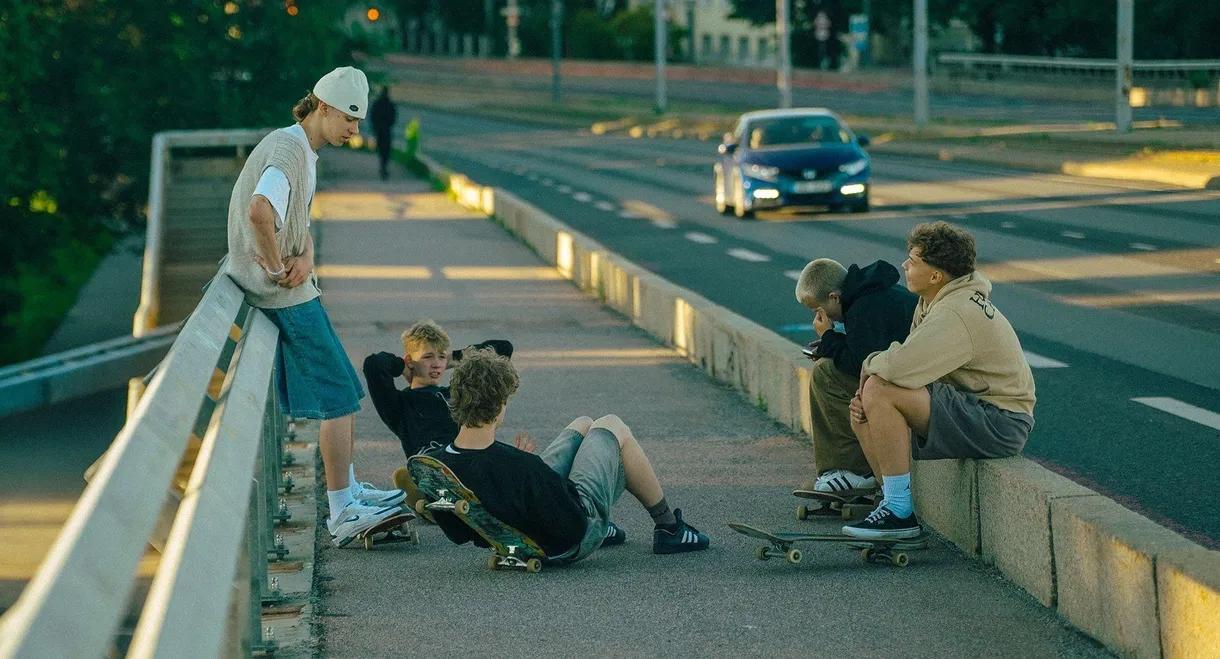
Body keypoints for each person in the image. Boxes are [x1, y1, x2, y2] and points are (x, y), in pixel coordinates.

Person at [220, 66, 405, 548]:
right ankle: (342, 511)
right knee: (339, 393)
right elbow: (261, 211)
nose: (354, 129)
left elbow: (289, 219)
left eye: (359, 121)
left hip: (289, 287)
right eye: (348, 118)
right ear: (322, 107)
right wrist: (278, 265)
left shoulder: (299, 147)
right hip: (283, 294)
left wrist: (304, 254)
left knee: (338, 391)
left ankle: (349, 492)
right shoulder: (287, 153)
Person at [844, 221, 1036, 540]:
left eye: (913, 261)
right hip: (976, 409)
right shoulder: (936, 301)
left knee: (879, 389)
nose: (904, 265)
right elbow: (910, 365)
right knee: (863, 407)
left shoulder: (957, 311)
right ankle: (892, 506)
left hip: (1001, 422)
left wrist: (868, 364)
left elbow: (902, 367)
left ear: (936, 275)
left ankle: (898, 513)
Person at [421, 351, 711, 561]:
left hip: (518, 520)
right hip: (571, 538)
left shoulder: (440, 462)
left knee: (584, 423)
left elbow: (459, 533)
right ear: (499, 406)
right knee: (610, 425)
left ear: (455, 398)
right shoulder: (521, 466)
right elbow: (570, 524)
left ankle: (636, 527)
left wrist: (521, 468)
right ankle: (670, 528)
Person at [793, 258, 917, 496]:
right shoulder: (869, 294)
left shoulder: (863, 307)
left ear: (834, 297)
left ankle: (851, 470)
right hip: (908, 377)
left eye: (818, 310)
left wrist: (829, 337)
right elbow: (869, 351)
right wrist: (833, 343)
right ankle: (843, 470)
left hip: (915, 386)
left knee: (825, 373)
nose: (819, 316)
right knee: (828, 366)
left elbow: (862, 364)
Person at [361, 319, 511, 510]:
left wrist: (451, 359)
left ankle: (437, 501)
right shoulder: (399, 405)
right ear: (410, 361)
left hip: (469, 458)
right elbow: (374, 365)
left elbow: (503, 349)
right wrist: (402, 366)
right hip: (434, 463)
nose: (436, 364)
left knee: (504, 461)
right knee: (436, 467)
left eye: (440, 357)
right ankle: (434, 498)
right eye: (427, 357)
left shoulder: (455, 393)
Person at [369, 86, 397, 180]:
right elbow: (393, 117)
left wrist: (375, 127)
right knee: (385, 151)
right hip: (386, 130)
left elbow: (372, 116)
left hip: (380, 130)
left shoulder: (378, 104)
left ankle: (383, 168)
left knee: (382, 150)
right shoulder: (389, 104)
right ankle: (384, 168)